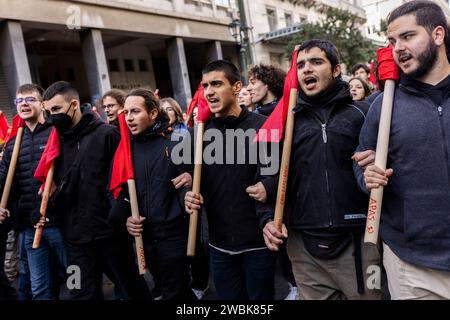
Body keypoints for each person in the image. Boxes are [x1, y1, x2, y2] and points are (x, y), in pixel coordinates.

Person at [262, 39, 382, 300]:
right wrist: (266, 219)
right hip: (303, 248)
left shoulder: (364, 113)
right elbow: (266, 177)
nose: (306, 69)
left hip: (360, 243)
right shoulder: (284, 120)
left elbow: (387, 167)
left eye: (316, 62)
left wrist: (379, 160)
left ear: (337, 69)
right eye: (301, 64)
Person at [354, 0, 450, 299]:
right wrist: (366, 176)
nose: (397, 48)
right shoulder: (384, 105)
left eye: (407, 36)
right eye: (392, 41)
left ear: (437, 34)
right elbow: (361, 162)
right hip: (411, 266)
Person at [40, 81, 148, 300]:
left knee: (131, 289)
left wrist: (116, 218)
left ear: (74, 104)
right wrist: (47, 202)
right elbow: (53, 188)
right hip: (74, 240)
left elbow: (124, 182)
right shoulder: (55, 142)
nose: (52, 116)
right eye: (48, 111)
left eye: (56, 110)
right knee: (78, 292)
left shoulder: (107, 135)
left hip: (109, 236)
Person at [184, 60, 277, 300]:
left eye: (217, 83)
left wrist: (268, 185)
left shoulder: (264, 127)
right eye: (205, 85)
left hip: (258, 243)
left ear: (237, 87)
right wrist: (185, 194)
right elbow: (187, 181)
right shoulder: (197, 135)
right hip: (218, 245)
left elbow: (277, 174)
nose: (209, 91)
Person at [115, 89, 195, 300]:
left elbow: (190, 182)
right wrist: (127, 219)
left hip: (173, 235)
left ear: (152, 114)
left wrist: (190, 183)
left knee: (174, 292)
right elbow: (118, 191)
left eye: (135, 111)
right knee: (171, 290)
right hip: (145, 238)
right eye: (126, 112)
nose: (129, 118)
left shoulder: (174, 142)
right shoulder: (125, 150)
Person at [0, 84, 66, 300]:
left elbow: (71, 175)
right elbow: (4, 182)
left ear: (42, 104)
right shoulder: (12, 144)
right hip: (29, 226)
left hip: (60, 224)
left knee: (76, 281)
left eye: (30, 99)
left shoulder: (58, 134)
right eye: (19, 101)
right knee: (39, 289)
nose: (24, 104)